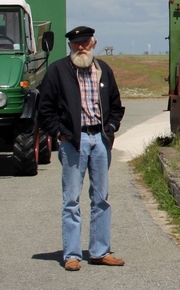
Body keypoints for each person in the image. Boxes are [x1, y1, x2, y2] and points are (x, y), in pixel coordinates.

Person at [38, 26, 126, 271]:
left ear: (93, 44)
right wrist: (60, 134)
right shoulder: (57, 71)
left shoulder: (103, 71)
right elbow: (44, 110)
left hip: (100, 140)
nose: (81, 47)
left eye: (85, 42)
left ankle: (100, 252)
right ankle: (72, 255)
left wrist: (109, 129)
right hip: (73, 143)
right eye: (76, 43)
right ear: (70, 46)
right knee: (71, 200)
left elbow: (116, 106)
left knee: (101, 199)